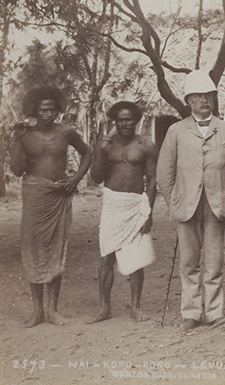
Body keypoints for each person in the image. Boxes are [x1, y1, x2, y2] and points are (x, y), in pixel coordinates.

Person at [157, 70, 225, 331]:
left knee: (214, 261)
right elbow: (165, 172)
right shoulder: (175, 131)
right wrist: (174, 200)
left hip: (217, 204)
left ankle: (215, 312)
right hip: (186, 204)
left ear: (214, 99)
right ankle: (192, 313)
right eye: (198, 96)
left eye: (209, 96)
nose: (204, 101)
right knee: (189, 261)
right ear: (189, 101)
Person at [10, 86, 93, 327]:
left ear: (58, 110)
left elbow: (88, 153)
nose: (48, 113)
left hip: (59, 194)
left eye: (52, 109)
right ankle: (37, 311)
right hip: (35, 194)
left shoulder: (67, 132)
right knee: (33, 248)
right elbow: (16, 170)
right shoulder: (25, 135)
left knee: (56, 249)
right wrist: (16, 139)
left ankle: (53, 310)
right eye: (43, 109)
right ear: (34, 110)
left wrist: (75, 179)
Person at [87, 101, 158, 323]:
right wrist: (100, 152)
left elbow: (153, 180)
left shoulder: (146, 145)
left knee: (136, 258)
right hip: (112, 204)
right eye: (120, 120)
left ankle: (136, 307)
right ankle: (104, 308)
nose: (125, 123)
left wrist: (148, 211)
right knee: (106, 256)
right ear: (114, 121)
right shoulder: (106, 144)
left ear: (136, 121)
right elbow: (96, 178)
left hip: (136, 204)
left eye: (129, 119)